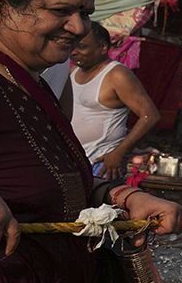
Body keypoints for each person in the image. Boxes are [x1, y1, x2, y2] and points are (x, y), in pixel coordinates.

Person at [0, 0, 182, 283]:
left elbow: (60, 175)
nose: (80, 28)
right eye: (61, 11)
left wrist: (121, 195)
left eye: (85, 13)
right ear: (2, 5)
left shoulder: (35, 82)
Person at [60, 22, 158, 178]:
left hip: (102, 163)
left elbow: (150, 116)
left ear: (103, 47)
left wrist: (118, 152)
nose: (74, 52)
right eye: (72, 46)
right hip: (75, 163)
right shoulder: (73, 71)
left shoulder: (117, 75)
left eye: (82, 47)